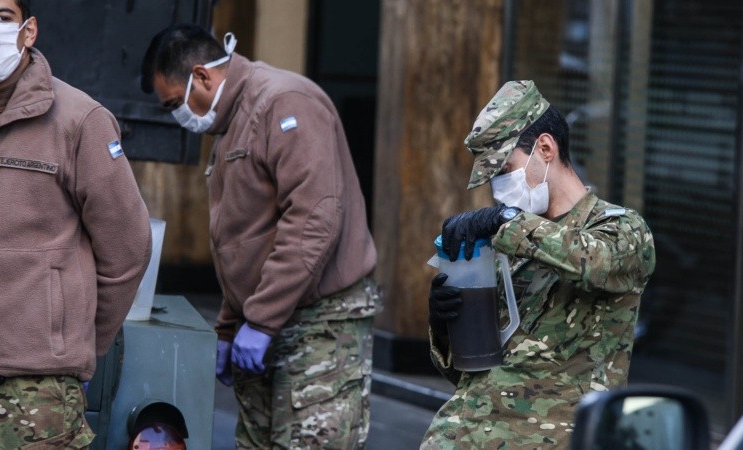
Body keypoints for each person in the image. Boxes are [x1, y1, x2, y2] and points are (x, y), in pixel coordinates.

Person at [140, 24, 380, 449]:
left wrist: (261, 321)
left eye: (176, 103)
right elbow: (243, 239)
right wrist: (229, 327)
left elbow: (314, 218)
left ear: (202, 76)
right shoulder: (231, 122)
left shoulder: (285, 102)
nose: (178, 116)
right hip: (264, 319)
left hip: (319, 321)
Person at [0, 0, 152, 447]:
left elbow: (128, 248)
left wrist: (75, 345)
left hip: (35, 388)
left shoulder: (79, 119)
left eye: (2, 17)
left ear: (29, 30)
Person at [421, 80, 656, 449]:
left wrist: (507, 221)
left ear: (545, 148)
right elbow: (469, 370)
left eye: (504, 170)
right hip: (462, 434)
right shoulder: (508, 242)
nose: (498, 189)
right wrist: (445, 322)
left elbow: (598, 262)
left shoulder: (621, 228)